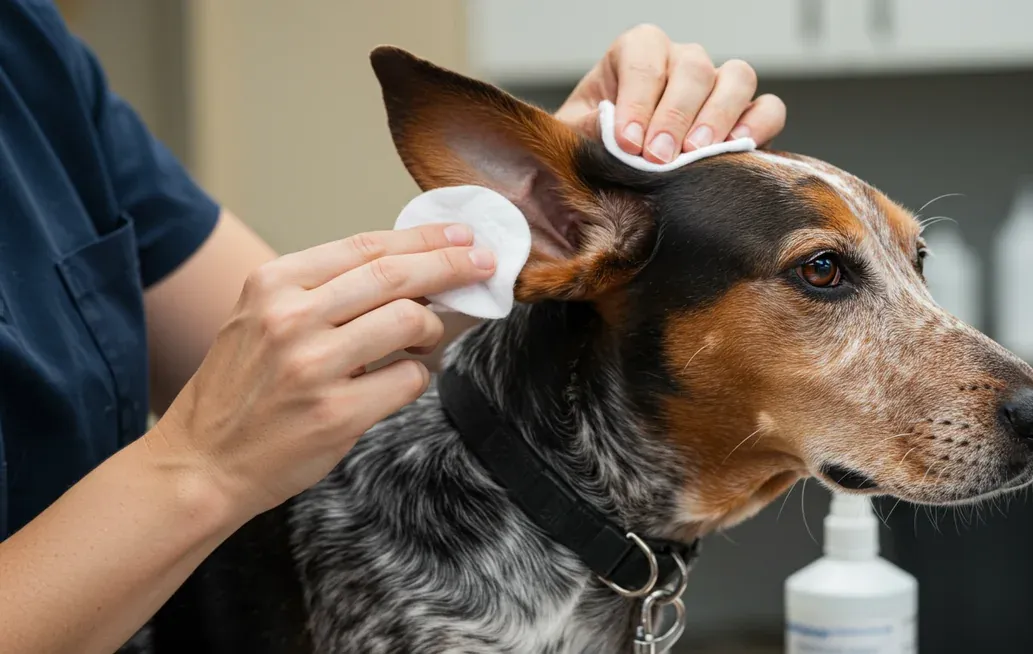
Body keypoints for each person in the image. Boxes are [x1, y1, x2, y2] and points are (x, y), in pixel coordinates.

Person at [0, 2, 787, 653]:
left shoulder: (26, 50)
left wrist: (531, 220)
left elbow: (305, 386)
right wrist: (202, 463)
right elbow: (232, 433)